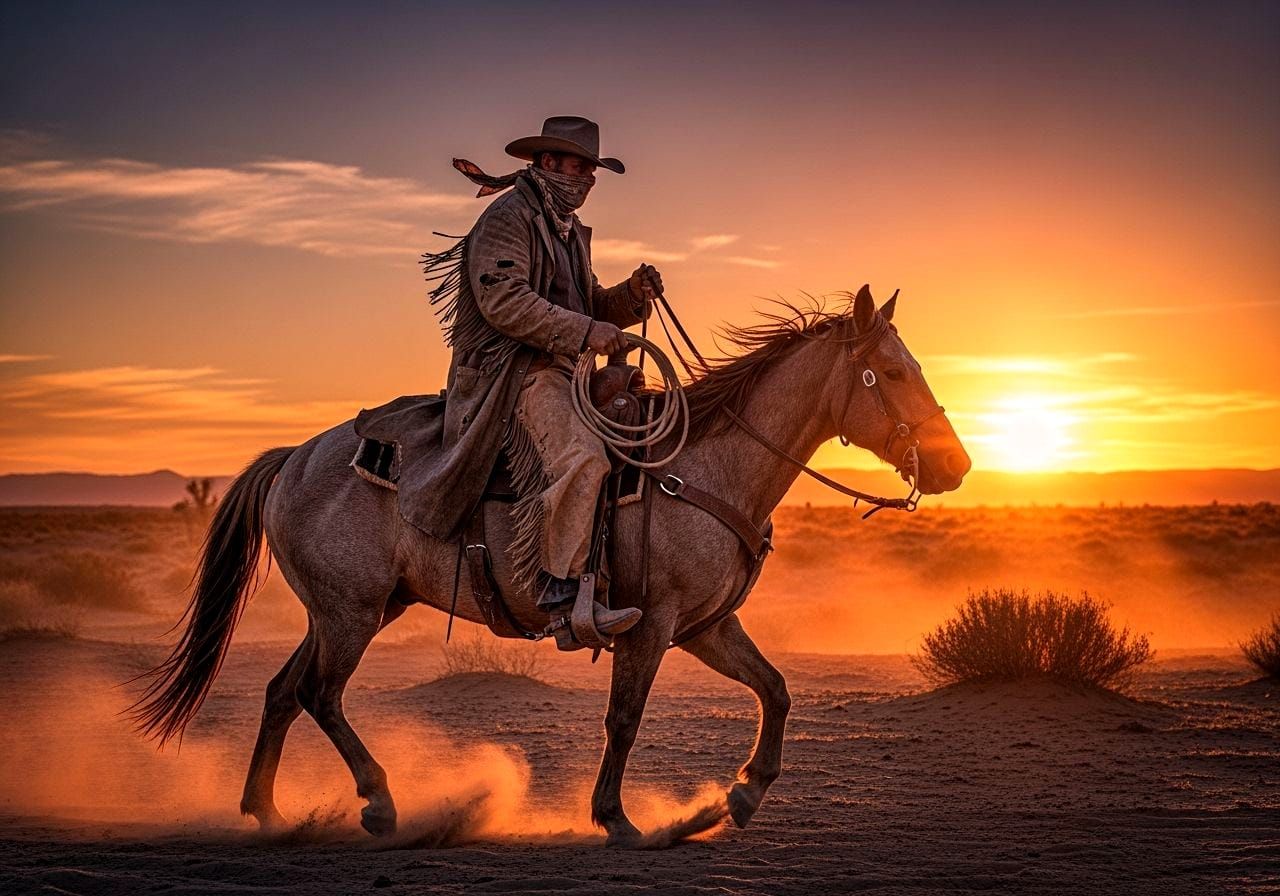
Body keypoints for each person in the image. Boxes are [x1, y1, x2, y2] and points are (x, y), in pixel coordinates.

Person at [424, 116, 663, 643]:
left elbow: (587, 303)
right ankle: (561, 595)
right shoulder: (508, 218)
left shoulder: (566, 229)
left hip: (562, 368)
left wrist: (630, 296)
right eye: (582, 167)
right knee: (583, 457)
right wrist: (587, 331)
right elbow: (504, 301)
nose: (589, 180)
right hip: (514, 372)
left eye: (593, 171)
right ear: (548, 163)